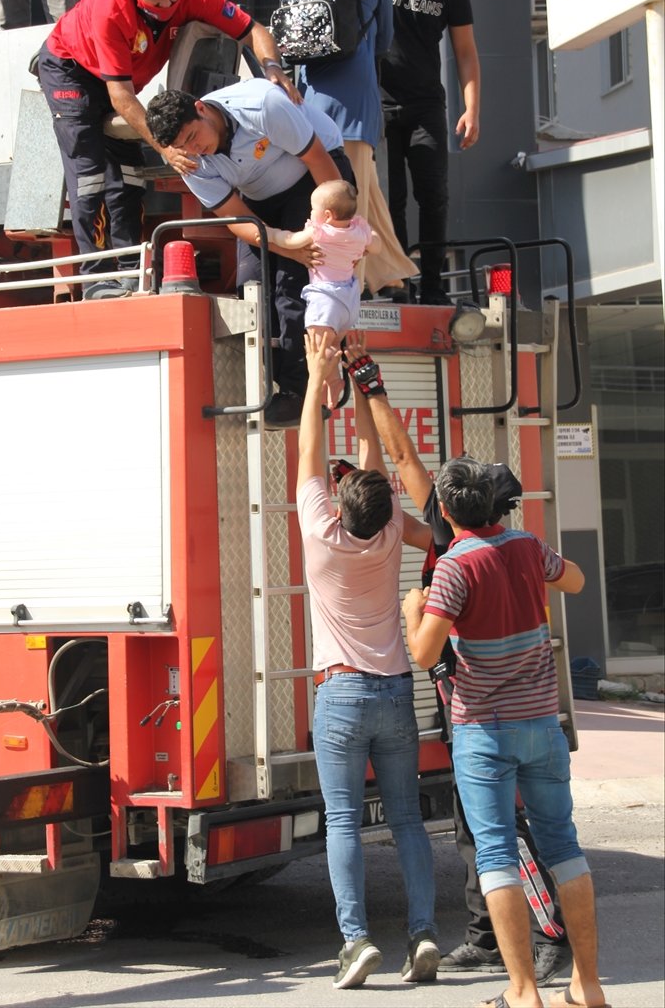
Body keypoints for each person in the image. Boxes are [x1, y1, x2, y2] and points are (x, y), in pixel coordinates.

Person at [337, 341, 572, 987]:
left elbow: (406, 463)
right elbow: (396, 482)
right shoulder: (492, 541)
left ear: (450, 507)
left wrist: (373, 386)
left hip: (487, 712)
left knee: (507, 829)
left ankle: (551, 932)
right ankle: (487, 938)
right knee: (476, 829)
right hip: (474, 704)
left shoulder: (457, 544)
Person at [402, 456, 608, 1008]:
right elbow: (578, 579)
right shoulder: (526, 546)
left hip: (484, 733)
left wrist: (411, 611)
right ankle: (587, 985)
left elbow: (424, 653)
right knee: (564, 846)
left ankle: (522, 992)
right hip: (542, 724)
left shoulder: (453, 566)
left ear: (445, 511)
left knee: (495, 854)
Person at [296, 329, 439, 990]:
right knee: (407, 820)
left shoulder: (324, 535)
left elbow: (306, 453)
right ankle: (423, 935)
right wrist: (350, 380)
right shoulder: (389, 533)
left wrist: (313, 375)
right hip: (393, 693)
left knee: (345, 822)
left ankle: (355, 942)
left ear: (339, 502)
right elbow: (369, 457)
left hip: (340, 695)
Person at [37, 0, 299, 300]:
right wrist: (167, 148)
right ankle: (97, 277)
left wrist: (272, 68)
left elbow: (253, 30)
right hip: (71, 71)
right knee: (89, 174)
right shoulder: (110, 10)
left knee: (128, 173)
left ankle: (131, 269)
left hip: (121, 83)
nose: (166, 5)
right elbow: (121, 98)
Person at [145, 82, 352, 428]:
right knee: (251, 290)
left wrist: (333, 234)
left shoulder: (262, 106)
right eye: (183, 147)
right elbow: (237, 219)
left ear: (201, 108)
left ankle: (301, 392)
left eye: (194, 137)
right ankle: (276, 380)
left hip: (318, 175)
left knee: (291, 284)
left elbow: (319, 160)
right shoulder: (191, 161)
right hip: (260, 198)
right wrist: (285, 241)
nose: (196, 150)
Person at [297, 0, 418, 297]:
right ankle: (355, 284)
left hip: (311, 102)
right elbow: (384, 41)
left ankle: (390, 274)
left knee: (368, 188)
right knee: (354, 197)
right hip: (354, 103)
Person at [379, 0, 481, 305]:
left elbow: (467, 52)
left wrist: (472, 108)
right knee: (393, 197)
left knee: (433, 194)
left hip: (426, 104)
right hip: (382, 102)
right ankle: (398, 279)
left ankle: (435, 285)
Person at [274, 180, 380, 407]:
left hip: (326, 297)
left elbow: (292, 241)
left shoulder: (319, 232)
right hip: (349, 298)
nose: (311, 213)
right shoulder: (359, 231)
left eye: (314, 209)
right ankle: (333, 382)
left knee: (318, 347)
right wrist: (365, 240)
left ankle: (324, 380)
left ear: (328, 215)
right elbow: (377, 246)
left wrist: (273, 236)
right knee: (330, 346)